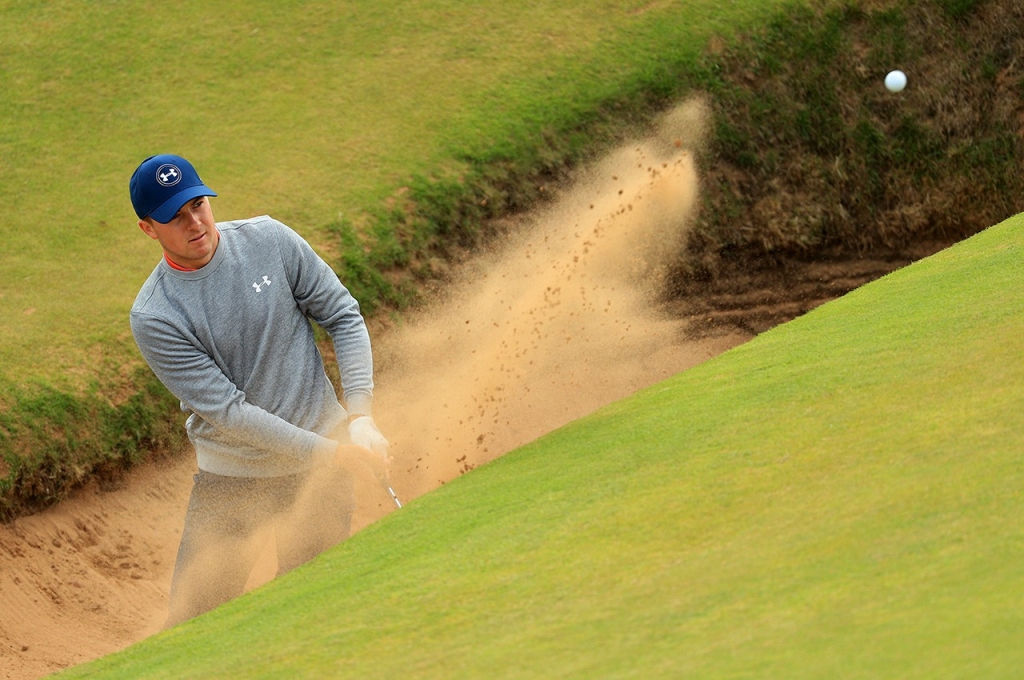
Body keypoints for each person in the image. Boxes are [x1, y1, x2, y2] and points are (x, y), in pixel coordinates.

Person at [128, 153, 392, 627]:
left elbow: (343, 316)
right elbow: (230, 412)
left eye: (198, 205)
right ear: (149, 229)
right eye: (175, 216)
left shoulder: (268, 239)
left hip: (322, 473)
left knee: (311, 615)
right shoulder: (156, 315)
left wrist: (361, 416)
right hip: (233, 481)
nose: (195, 223)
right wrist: (332, 453)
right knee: (193, 626)